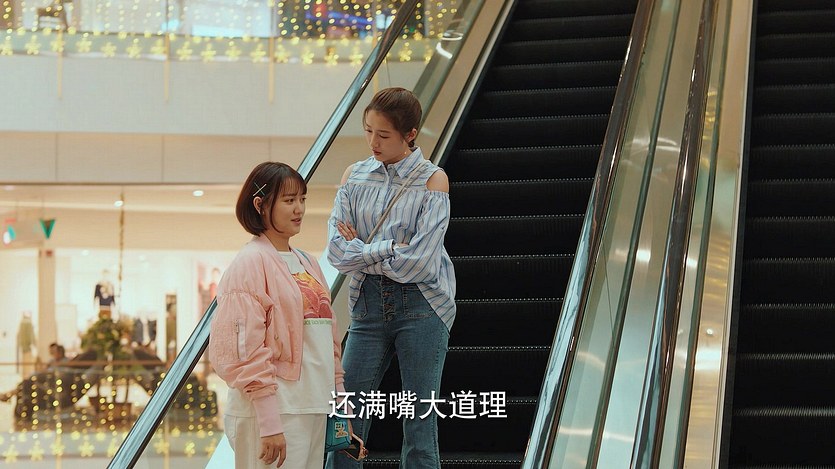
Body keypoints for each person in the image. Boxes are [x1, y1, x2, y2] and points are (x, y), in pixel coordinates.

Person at [326, 87, 456, 468]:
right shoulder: (353, 176)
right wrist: (389, 248)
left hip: (423, 306)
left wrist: (363, 249)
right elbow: (336, 252)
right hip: (367, 306)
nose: (373, 143)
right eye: (368, 131)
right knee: (345, 420)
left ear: (410, 134)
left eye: (383, 135)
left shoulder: (433, 181)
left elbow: (420, 263)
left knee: (420, 423)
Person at [208, 162, 345, 469]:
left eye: (302, 199)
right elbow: (243, 351)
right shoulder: (249, 262)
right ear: (260, 205)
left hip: (312, 406)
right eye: (289, 200)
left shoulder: (308, 262)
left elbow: (329, 342)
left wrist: (340, 408)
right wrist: (269, 423)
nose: (299, 209)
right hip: (274, 412)